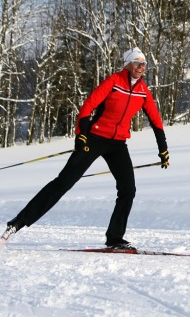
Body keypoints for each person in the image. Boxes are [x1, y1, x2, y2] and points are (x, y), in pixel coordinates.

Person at [2, 47, 170, 249]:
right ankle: (16, 224)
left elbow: (156, 120)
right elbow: (88, 106)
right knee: (64, 182)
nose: (141, 67)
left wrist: (163, 149)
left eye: (143, 64)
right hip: (95, 139)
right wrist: (81, 135)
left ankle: (115, 238)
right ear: (127, 64)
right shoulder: (114, 82)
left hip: (117, 144)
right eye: (137, 63)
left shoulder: (143, 91)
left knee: (128, 189)